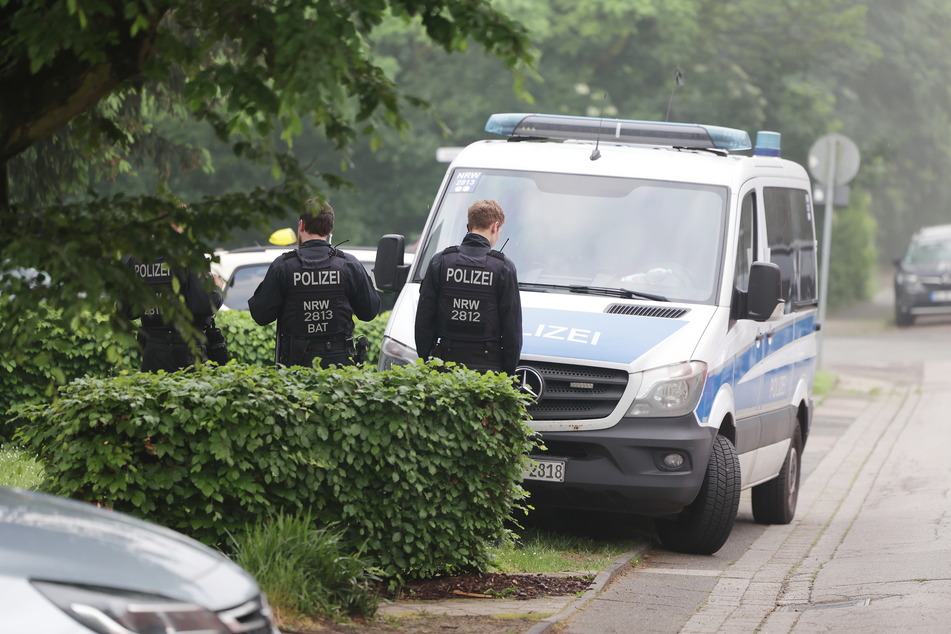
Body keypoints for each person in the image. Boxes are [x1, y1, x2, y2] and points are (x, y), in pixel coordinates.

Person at [248, 199, 380, 368]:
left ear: (301, 225)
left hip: (295, 370)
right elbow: (369, 312)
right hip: (340, 371)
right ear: (330, 228)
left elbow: (260, 315)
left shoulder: (283, 266)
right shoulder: (349, 264)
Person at [415, 199, 522, 374]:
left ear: (468, 226)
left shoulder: (440, 261)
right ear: (495, 227)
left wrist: (427, 360)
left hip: (445, 364)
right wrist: (507, 372)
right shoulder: (503, 267)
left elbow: (424, 321)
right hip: (488, 368)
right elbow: (512, 329)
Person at [124, 251, 223, 373]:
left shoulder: (136, 258)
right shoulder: (188, 255)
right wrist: (217, 288)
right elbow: (205, 305)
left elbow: (125, 310)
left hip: (152, 353)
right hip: (186, 353)